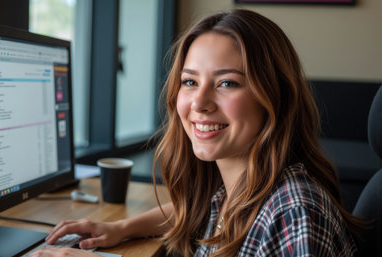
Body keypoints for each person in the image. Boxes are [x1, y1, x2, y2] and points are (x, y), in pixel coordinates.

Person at [30, 9, 363, 257]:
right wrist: (120, 228)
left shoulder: (295, 214)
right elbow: (192, 209)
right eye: (190, 81)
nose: (199, 103)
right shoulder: (232, 191)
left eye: (227, 83)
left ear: (274, 96)